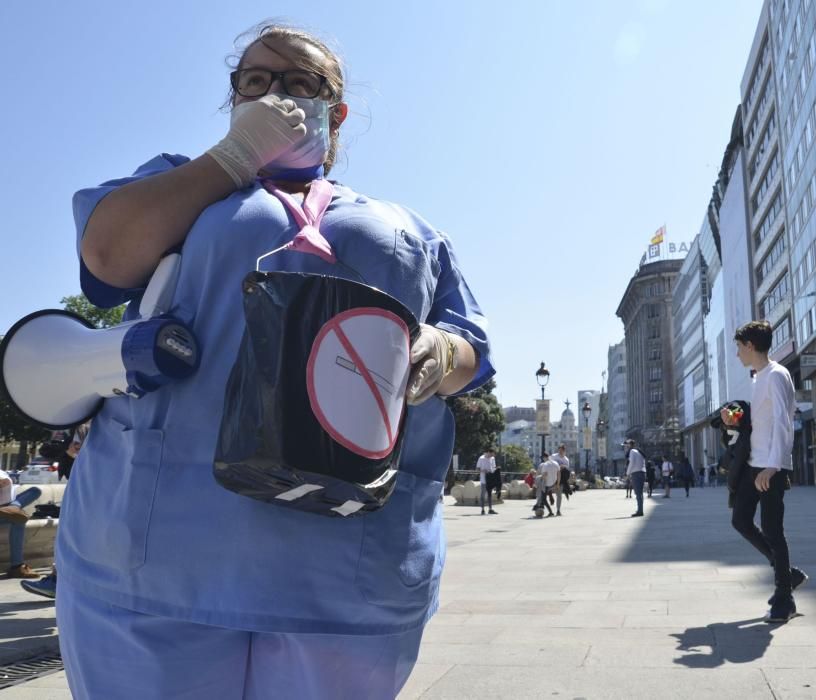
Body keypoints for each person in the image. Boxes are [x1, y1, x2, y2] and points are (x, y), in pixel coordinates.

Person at [55, 22, 493, 699]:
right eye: (253, 81)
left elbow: (474, 350)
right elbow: (108, 255)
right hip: (159, 555)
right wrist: (232, 159)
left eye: (298, 82)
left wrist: (440, 354)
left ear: (336, 110)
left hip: (348, 569)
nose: (273, 94)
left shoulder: (407, 226)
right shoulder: (183, 183)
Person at [725, 321, 806, 623]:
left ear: (750, 345)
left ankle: (784, 600)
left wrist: (773, 466)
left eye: (738, 347)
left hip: (770, 466)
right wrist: (734, 419)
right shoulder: (758, 378)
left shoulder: (777, 375)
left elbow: (784, 422)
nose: (737, 354)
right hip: (752, 464)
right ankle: (787, 574)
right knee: (741, 520)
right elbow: (759, 422)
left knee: (773, 530)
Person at [22, 424, 90, 600]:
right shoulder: (75, 430)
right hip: (82, 489)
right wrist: (68, 452)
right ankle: (57, 579)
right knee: (69, 538)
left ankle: (57, 581)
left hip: (92, 492)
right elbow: (48, 451)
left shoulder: (96, 427)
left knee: (71, 538)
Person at [0, 471, 42, 579]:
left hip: (6, 507)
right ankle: (17, 567)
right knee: (19, 519)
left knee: (35, 490)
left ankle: (14, 506)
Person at [624, 439, 646, 517]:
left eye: (626, 445)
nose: (625, 447)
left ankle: (640, 511)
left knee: (638, 493)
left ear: (630, 445)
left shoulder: (632, 451)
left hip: (636, 473)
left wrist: (627, 473)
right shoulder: (639, 451)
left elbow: (631, 462)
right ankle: (640, 509)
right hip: (642, 472)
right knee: (640, 493)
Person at [533, 452, 559, 518]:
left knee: (542, 498)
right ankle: (541, 507)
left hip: (546, 484)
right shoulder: (555, 463)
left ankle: (550, 512)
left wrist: (538, 480)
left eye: (543, 458)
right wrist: (557, 483)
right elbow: (559, 474)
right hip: (553, 483)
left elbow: (544, 475)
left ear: (544, 457)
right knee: (544, 497)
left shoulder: (544, 465)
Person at [551, 444, 570, 515]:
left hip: (561, 479)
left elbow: (567, 469)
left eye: (562, 450)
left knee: (559, 495)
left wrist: (563, 467)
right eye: (559, 450)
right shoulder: (553, 456)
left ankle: (558, 510)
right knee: (545, 492)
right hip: (552, 477)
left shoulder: (566, 459)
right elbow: (549, 464)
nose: (560, 452)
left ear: (564, 451)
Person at [477, 449, 498, 515]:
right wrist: (483, 470)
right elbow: (477, 468)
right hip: (483, 479)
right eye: (491, 454)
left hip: (490, 479)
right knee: (483, 494)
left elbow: (494, 467)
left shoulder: (492, 458)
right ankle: (482, 509)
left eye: (493, 455)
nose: (492, 456)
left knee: (490, 494)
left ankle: (490, 509)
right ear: (488, 452)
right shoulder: (481, 458)